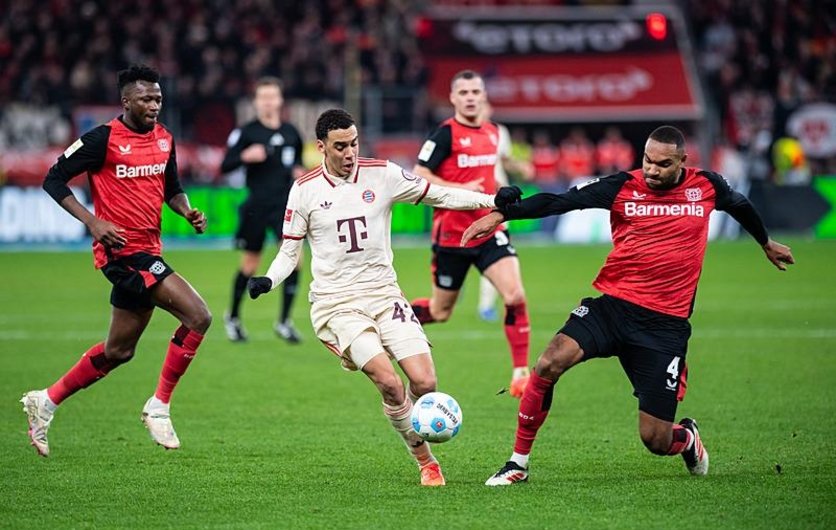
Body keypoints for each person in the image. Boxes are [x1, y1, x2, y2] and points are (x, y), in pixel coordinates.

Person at [463, 126, 795, 485]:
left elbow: (740, 205)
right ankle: (517, 464)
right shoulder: (622, 186)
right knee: (547, 363)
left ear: (683, 161)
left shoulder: (707, 186)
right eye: (647, 161)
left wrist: (765, 242)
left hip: (664, 327)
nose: (652, 170)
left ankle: (687, 439)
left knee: (656, 439)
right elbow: (561, 201)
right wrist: (502, 215)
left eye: (663, 164)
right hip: (613, 308)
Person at [246, 109, 521, 486]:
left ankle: (398, 399)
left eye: (354, 143)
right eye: (340, 146)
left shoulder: (384, 174)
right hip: (336, 302)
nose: (349, 152)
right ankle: (426, 461)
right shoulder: (305, 189)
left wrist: (492, 199)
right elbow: (289, 251)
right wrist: (268, 279)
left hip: (384, 293)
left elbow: (437, 194)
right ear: (321, 147)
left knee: (425, 383)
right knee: (390, 384)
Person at [21, 64, 212, 456]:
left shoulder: (164, 139)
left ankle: (46, 401)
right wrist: (92, 221)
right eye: (146, 98)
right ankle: (159, 406)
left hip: (150, 249)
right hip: (123, 253)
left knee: (119, 352)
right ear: (126, 101)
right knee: (199, 316)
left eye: (158, 98)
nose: (154, 105)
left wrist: (187, 210)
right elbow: (53, 178)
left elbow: (171, 189)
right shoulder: (102, 139)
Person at [409, 70, 532, 398]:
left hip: (490, 230)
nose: (470, 97)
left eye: (475, 91)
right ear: (453, 98)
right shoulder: (444, 134)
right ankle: (390, 321)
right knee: (440, 312)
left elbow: (488, 179)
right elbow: (419, 174)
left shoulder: (492, 133)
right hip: (452, 236)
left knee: (515, 295)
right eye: (463, 92)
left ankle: (521, 372)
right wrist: (460, 188)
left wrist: (506, 197)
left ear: (483, 96)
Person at [220, 77, 306, 343]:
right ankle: (233, 317)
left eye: (272, 96)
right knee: (250, 264)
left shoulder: (292, 132)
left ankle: (284, 322)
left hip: (284, 207)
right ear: (256, 102)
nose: (268, 102)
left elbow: (298, 165)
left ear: (280, 100)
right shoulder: (246, 133)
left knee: (296, 261)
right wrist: (245, 156)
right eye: (263, 97)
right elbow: (226, 165)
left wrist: (300, 174)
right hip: (256, 206)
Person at [477, 101, 533, 322]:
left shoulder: (500, 132)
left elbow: (505, 160)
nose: (486, 109)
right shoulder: (457, 134)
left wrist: (520, 167)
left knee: (495, 248)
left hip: (497, 200)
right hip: (471, 196)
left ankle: (486, 305)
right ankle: (452, 282)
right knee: (461, 248)